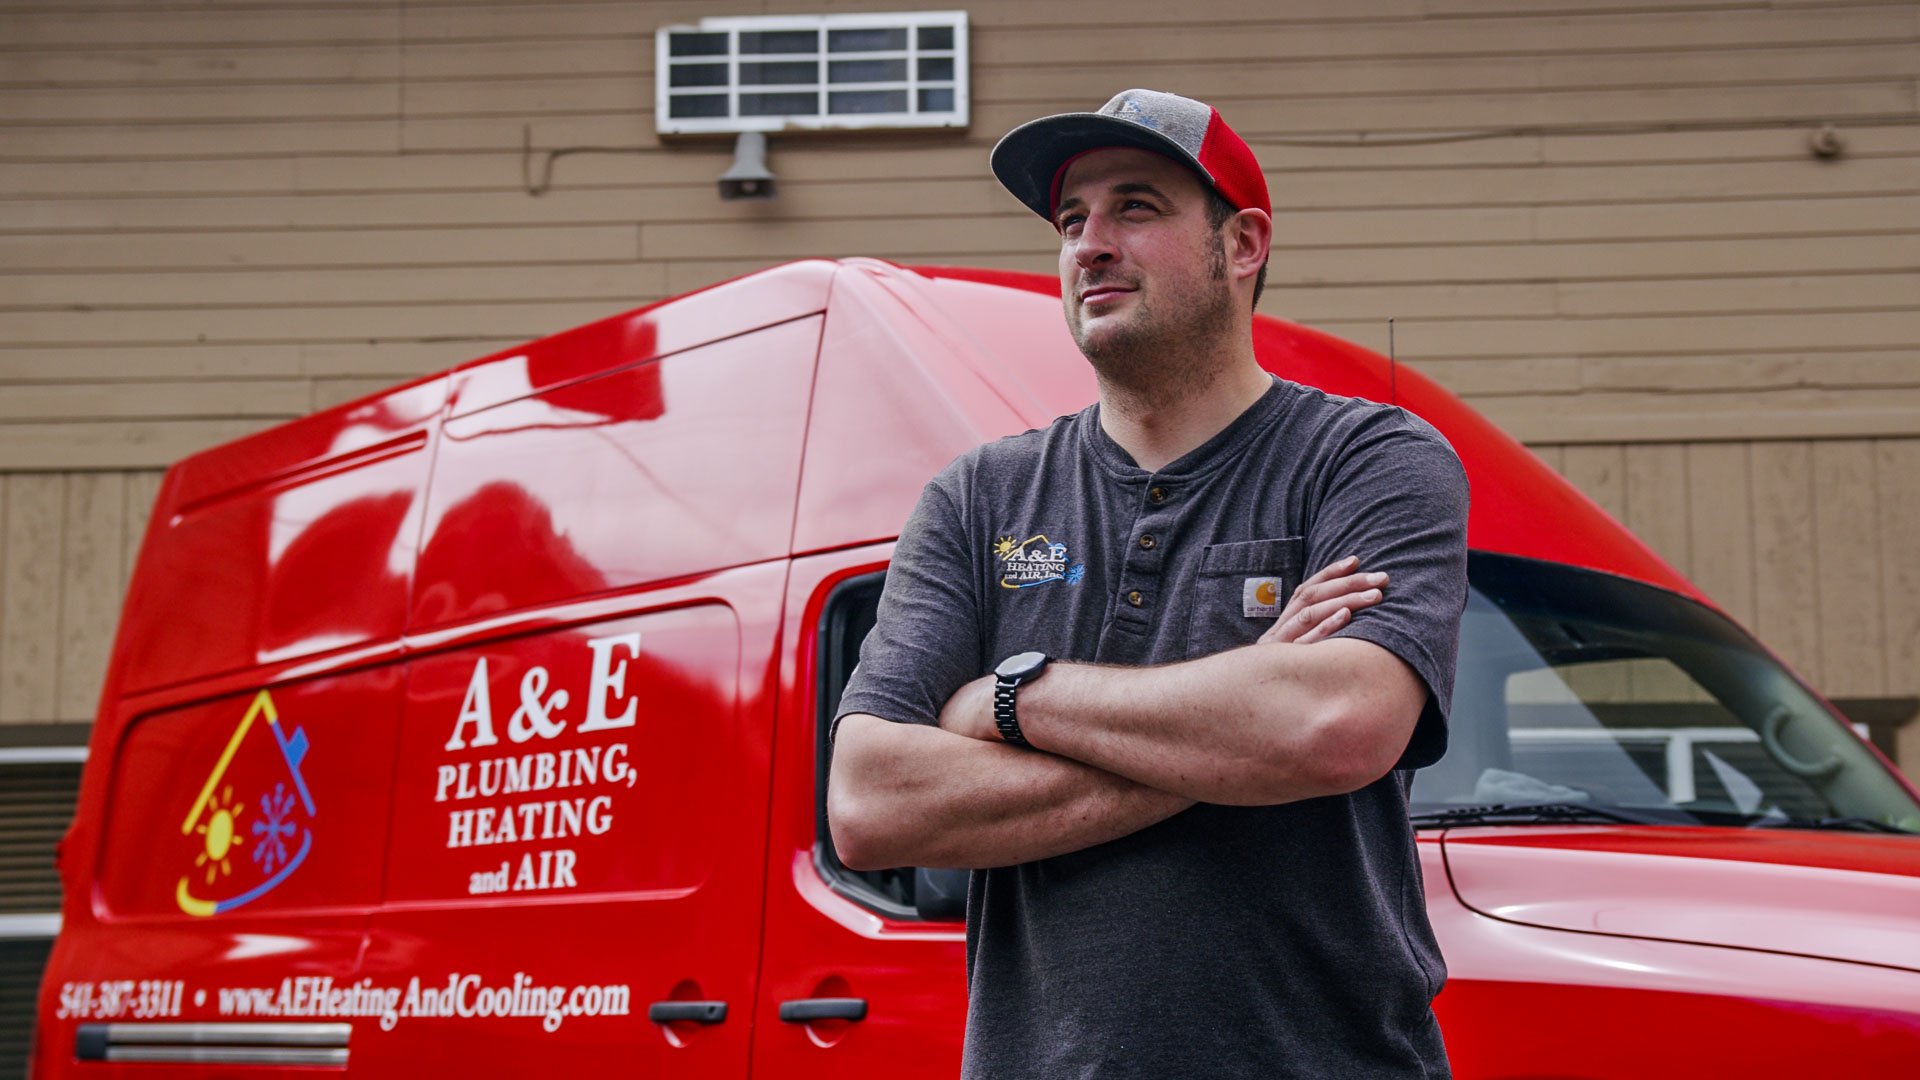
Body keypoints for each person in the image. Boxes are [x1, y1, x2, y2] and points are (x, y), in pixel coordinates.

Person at [828, 88, 1469, 1079]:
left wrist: (1010, 698)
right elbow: (870, 804)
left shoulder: (1369, 458)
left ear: (1242, 244)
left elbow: (1333, 727)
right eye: (1071, 219)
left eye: (1136, 206)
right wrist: (1236, 726)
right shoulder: (976, 499)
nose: (1089, 244)